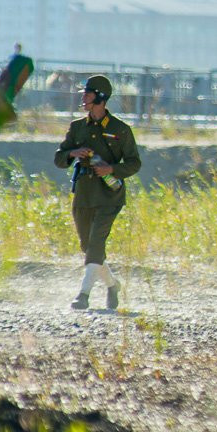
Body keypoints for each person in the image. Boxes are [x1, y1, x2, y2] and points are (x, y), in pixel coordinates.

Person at [54, 75, 142, 311]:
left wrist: (111, 169)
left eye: (88, 94)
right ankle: (113, 285)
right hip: (83, 194)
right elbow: (59, 158)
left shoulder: (120, 130)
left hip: (109, 196)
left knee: (96, 243)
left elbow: (134, 163)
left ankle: (83, 294)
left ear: (101, 98)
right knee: (88, 247)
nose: (83, 98)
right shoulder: (77, 127)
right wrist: (73, 153)